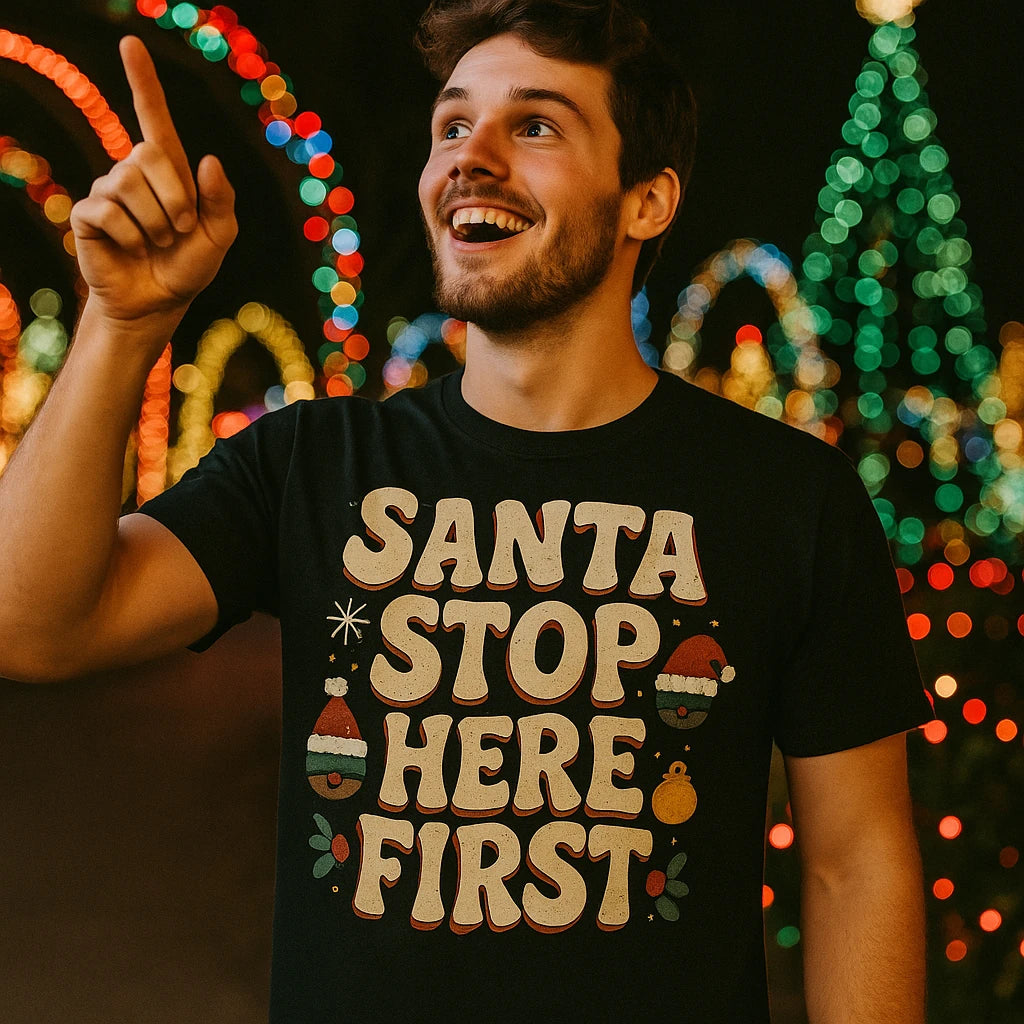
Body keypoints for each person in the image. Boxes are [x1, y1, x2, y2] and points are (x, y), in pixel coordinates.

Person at [0, 1, 933, 1020]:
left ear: (646, 201)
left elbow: (855, 862)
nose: (468, 159)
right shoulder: (311, 462)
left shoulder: (787, 495)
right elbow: (30, 625)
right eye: (452, 124)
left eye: (533, 125)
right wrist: (123, 323)